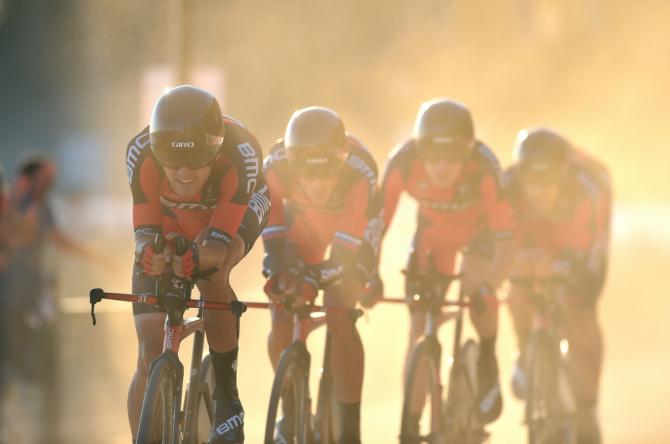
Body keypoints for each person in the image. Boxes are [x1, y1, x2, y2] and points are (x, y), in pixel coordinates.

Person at [126, 85, 270, 444]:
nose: (185, 173)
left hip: (231, 212)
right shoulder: (139, 153)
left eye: (197, 161)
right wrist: (151, 255)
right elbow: (144, 234)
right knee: (148, 349)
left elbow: (217, 247)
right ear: (159, 154)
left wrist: (194, 258)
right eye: (173, 164)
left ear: (215, 151)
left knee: (212, 272)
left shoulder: (241, 153)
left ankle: (227, 396)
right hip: (174, 219)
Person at [373, 98, 516, 429]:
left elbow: (507, 244)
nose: (442, 166)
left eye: (451, 157)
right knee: (418, 325)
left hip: (481, 233)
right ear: (420, 151)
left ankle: (487, 359)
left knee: (474, 286)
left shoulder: (485, 167)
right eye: (433, 156)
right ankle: (410, 422)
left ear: (467, 152)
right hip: (434, 237)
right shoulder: (403, 162)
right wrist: (370, 273)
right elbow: (376, 229)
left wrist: (488, 287)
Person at [261, 106, 378, 444]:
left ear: (341, 163)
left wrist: (315, 279)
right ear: (293, 167)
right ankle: (292, 408)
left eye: (326, 175)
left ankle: (349, 429)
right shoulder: (275, 169)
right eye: (308, 176)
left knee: (340, 306)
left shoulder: (360, 174)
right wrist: (284, 276)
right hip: (305, 226)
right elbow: (274, 241)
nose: (317, 185)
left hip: (352, 224)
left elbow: (344, 257)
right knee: (281, 312)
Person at [505, 127, 611, 443]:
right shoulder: (508, 186)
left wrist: (562, 268)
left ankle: (586, 409)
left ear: (562, 177)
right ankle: (525, 352)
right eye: (531, 181)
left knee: (581, 309)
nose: (538, 189)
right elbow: (497, 240)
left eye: (547, 180)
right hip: (536, 231)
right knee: (520, 286)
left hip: (580, 229)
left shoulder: (588, 189)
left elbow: (590, 257)